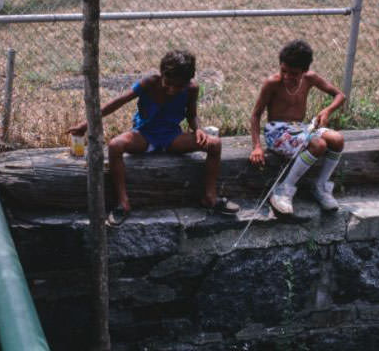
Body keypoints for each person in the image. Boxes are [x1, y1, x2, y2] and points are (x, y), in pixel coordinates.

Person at [69, 50, 240, 226]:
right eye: (169, 84)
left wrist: (198, 129)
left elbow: (192, 115)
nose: (173, 90)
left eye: (179, 86)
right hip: (144, 135)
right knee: (115, 145)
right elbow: (118, 102)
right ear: (162, 74)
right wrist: (85, 125)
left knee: (215, 144)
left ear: (188, 81)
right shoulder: (149, 82)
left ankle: (210, 197)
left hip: (172, 137)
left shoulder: (191, 89)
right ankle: (123, 202)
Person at [248, 39, 345, 213]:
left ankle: (320, 186)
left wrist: (327, 111)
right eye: (283, 70)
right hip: (276, 132)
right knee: (318, 144)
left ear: (304, 71)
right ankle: (283, 190)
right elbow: (255, 116)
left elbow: (339, 95)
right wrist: (257, 146)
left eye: (293, 73)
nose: (287, 76)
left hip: (301, 128)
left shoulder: (310, 78)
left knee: (337, 140)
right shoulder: (272, 83)